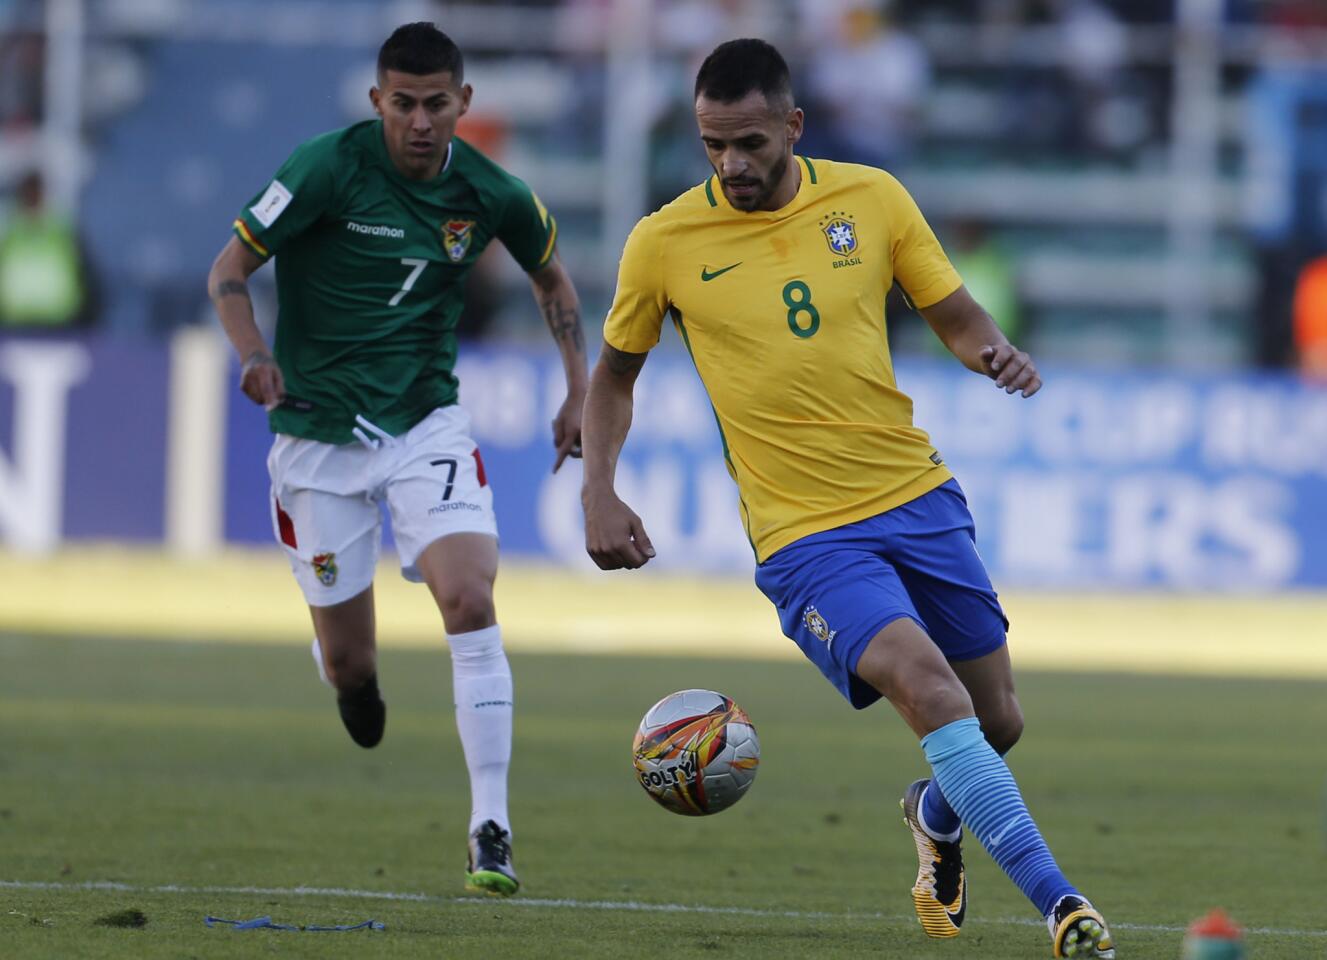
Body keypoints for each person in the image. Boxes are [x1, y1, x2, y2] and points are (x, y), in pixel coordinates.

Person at [581, 39, 1114, 958]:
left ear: (793, 124)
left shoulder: (871, 199)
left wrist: (992, 352)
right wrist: (598, 488)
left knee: (997, 722)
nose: (731, 165)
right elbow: (614, 379)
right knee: (926, 687)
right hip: (804, 535)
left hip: (913, 492)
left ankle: (934, 815)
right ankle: (1062, 908)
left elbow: (952, 314)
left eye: (748, 142)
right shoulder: (663, 241)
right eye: (713, 145)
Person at [207, 22, 587, 898]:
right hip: (314, 440)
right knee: (352, 666)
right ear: (379, 102)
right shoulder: (324, 167)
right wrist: (251, 355)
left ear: (464, 104)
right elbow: (229, 267)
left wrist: (578, 387)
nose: (420, 122)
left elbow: (553, 279)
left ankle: (489, 825)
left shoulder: (490, 191)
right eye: (404, 104)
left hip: (425, 426)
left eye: (436, 105)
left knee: (469, 596)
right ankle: (348, 677)